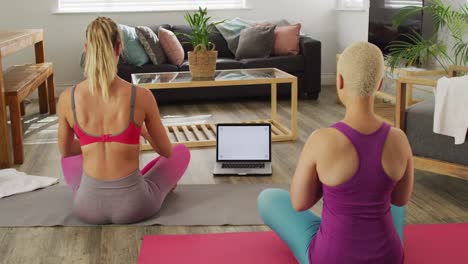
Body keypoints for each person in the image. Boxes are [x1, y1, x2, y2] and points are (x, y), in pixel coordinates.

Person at [257, 42, 414, 264]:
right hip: (389, 258)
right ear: (379, 84)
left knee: (268, 199)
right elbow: (400, 200)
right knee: (390, 197)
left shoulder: (322, 139)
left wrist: (332, 184)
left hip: (331, 258)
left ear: (339, 81)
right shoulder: (399, 139)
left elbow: (299, 203)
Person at [57, 17, 190, 224]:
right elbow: (166, 152)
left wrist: (93, 143)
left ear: (86, 48)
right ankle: (148, 183)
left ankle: (91, 187)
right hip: (135, 206)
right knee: (181, 153)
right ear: (119, 48)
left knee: (69, 159)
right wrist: (141, 131)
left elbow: (66, 152)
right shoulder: (142, 96)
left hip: (86, 207)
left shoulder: (68, 98)